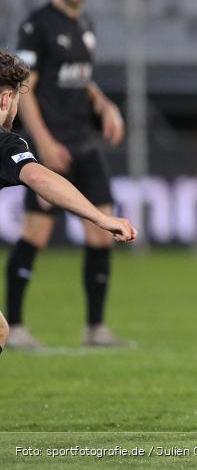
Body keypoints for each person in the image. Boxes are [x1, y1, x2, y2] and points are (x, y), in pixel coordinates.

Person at [5, 0, 127, 350]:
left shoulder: (85, 25)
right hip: (52, 140)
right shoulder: (37, 25)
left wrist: (104, 104)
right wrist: (42, 142)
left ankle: (95, 327)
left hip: (84, 140)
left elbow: (80, 77)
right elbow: (27, 88)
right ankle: (17, 326)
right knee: (36, 231)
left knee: (102, 227)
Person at [0, 49, 136, 358]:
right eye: (20, 100)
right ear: (6, 100)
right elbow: (41, 179)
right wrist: (101, 219)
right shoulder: (6, 143)